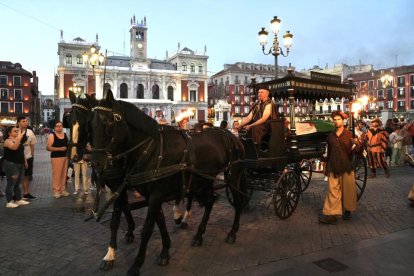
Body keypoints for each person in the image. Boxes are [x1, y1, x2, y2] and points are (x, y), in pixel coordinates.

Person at [319, 111, 359, 224]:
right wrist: (325, 164)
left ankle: (347, 210)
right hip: (333, 166)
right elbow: (328, 152)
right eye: (335, 119)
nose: (336, 121)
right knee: (333, 191)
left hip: (346, 166)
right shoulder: (330, 136)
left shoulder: (349, 135)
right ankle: (332, 215)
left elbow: (357, 151)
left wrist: (357, 144)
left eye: (339, 119)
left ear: (343, 120)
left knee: (348, 190)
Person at [3, 125, 30, 208]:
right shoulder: (7, 141)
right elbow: (14, 148)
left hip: (20, 164)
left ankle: (18, 199)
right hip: (11, 164)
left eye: (17, 131)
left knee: (18, 183)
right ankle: (9, 201)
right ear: (9, 133)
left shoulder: (18, 140)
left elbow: (21, 151)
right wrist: (19, 137)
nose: (17, 132)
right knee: (11, 183)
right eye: (15, 131)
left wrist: (25, 161)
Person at [46, 121, 70, 198]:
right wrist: (60, 149)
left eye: (61, 125)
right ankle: (56, 191)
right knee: (57, 175)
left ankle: (62, 190)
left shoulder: (65, 135)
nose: (59, 127)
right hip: (56, 157)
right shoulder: (52, 135)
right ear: (54, 128)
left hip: (65, 157)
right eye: (57, 126)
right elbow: (48, 148)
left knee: (64, 174)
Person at [17, 116, 37, 200]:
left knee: (27, 176)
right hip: (17, 158)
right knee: (17, 177)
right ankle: (16, 195)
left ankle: (26, 193)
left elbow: (32, 144)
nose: (26, 122)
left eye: (26, 121)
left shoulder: (30, 132)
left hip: (28, 157)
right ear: (18, 123)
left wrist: (32, 155)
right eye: (23, 121)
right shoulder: (14, 131)